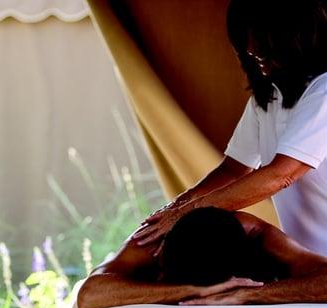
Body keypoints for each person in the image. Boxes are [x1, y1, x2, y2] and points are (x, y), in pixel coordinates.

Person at [133, 0, 327, 257]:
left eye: (259, 34)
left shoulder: (324, 91)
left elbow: (281, 175)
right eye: (244, 34)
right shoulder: (268, 97)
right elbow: (233, 169)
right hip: (310, 262)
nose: (250, 48)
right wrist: (172, 210)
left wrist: (186, 214)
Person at [77, 207, 327, 308]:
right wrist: (193, 290)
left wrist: (248, 295)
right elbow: (89, 295)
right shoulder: (152, 240)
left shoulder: (258, 235)